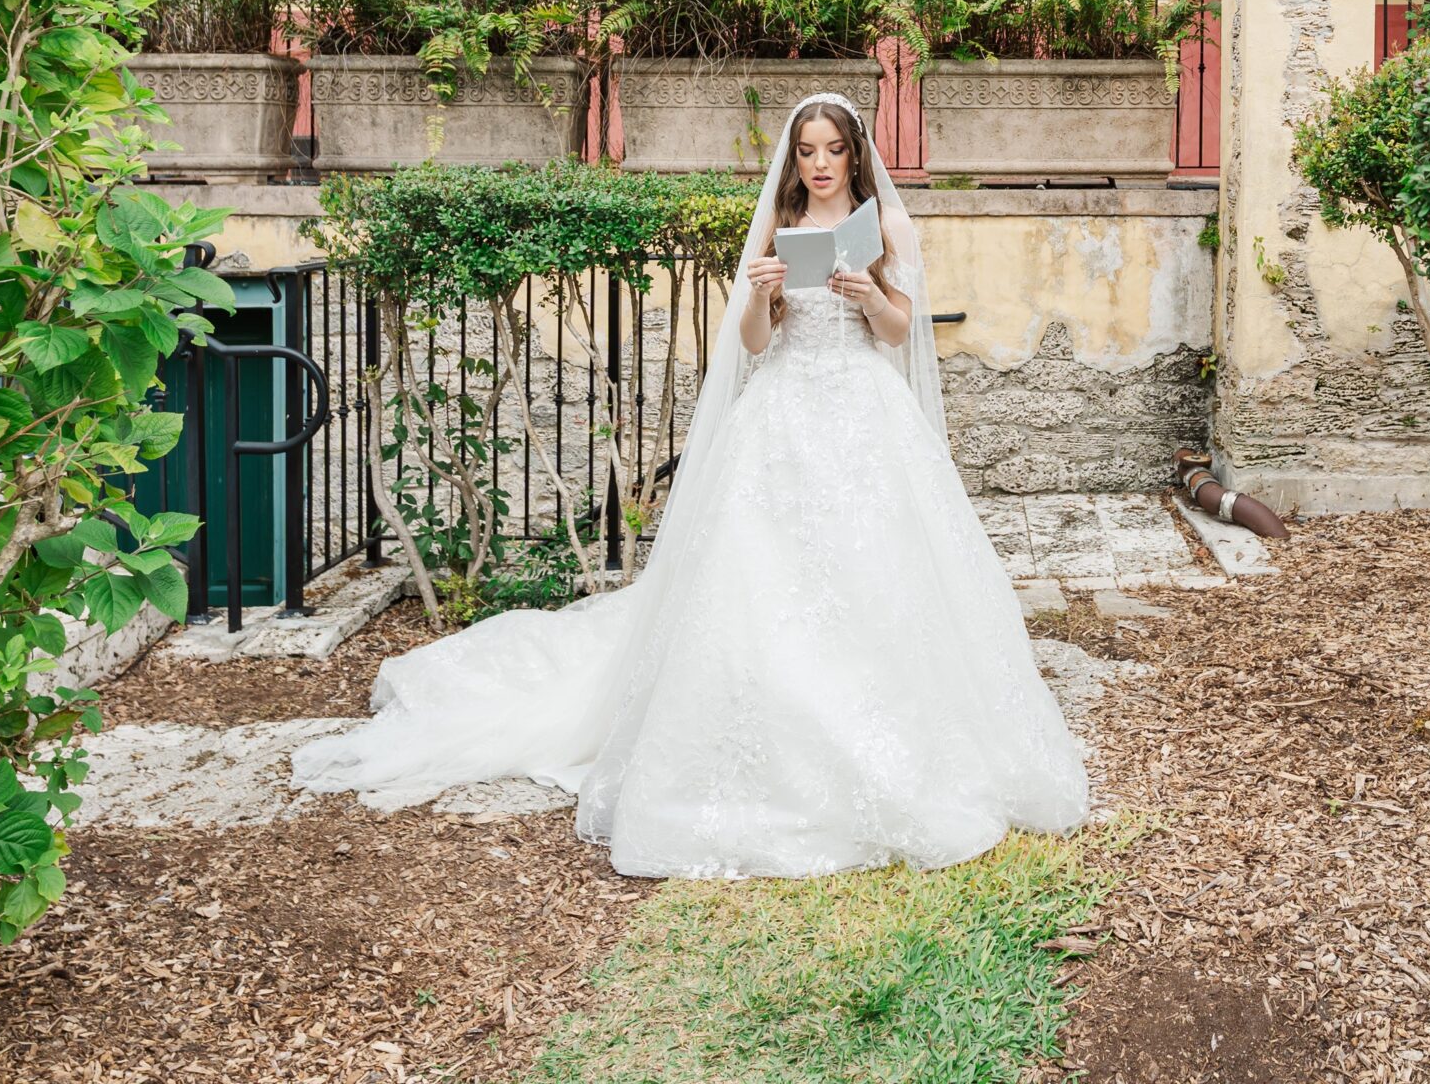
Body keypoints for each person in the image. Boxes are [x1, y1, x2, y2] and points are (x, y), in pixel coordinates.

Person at [293, 92, 1087, 878]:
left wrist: (867, 293)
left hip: (863, 407)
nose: (817, 165)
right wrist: (765, 295)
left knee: (880, 567)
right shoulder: (778, 228)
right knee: (758, 575)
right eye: (805, 151)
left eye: (831, 151)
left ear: (854, 154)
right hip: (782, 410)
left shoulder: (884, 225)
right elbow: (748, 343)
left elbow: (900, 332)